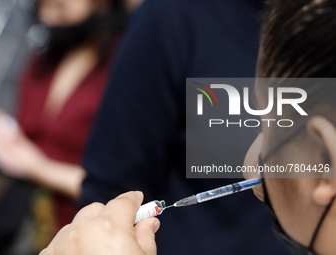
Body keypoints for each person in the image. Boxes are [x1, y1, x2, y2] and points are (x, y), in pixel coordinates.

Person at [40, 0, 336, 254]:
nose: (250, 167)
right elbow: (109, 185)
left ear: (325, 155)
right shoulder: (175, 17)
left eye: (267, 129)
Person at [0, 0, 127, 249]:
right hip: (18, 219)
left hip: (74, 232)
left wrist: (37, 167)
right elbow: (31, 134)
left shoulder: (123, 66)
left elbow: (123, 187)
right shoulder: (44, 59)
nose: (48, 14)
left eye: (60, 6)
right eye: (43, 7)